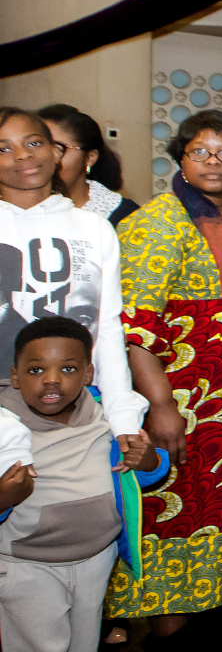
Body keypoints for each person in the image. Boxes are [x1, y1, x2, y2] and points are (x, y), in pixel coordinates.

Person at [109, 111, 222, 636]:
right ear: (179, 159)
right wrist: (159, 406)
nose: (212, 162)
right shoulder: (156, 222)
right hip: (188, 402)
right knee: (181, 512)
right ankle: (169, 648)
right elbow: (135, 324)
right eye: (199, 151)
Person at [0, 317, 159, 652]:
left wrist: (146, 459)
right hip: (28, 564)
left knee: (79, 651)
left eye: (68, 368)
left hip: (94, 558)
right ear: (14, 376)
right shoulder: (4, 426)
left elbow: (146, 472)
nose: (52, 380)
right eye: (35, 371)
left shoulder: (109, 414)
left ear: (89, 374)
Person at [0, 107, 145, 463]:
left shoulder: (94, 228)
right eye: (3, 148)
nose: (22, 155)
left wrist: (122, 416)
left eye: (34, 142)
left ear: (56, 151)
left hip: (78, 403)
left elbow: (107, 328)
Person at [38, 105, 138, 226]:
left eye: (58, 148)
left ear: (89, 158)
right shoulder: (14, 210)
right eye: (36, 146)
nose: (45, 158)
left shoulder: (124, 217)